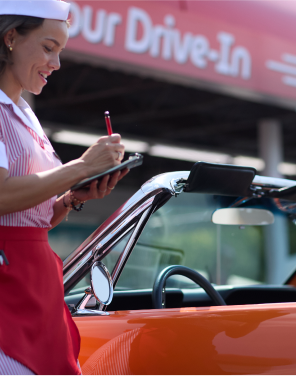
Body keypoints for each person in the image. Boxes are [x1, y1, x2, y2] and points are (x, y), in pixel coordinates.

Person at [0, 1, 128, 375]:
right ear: (10, 37)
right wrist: (82, 167)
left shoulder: (25, 113)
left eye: (60, 51)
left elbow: (30, 217)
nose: (56, 64)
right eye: (48, 47)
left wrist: (72, 198)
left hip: (36, 283)